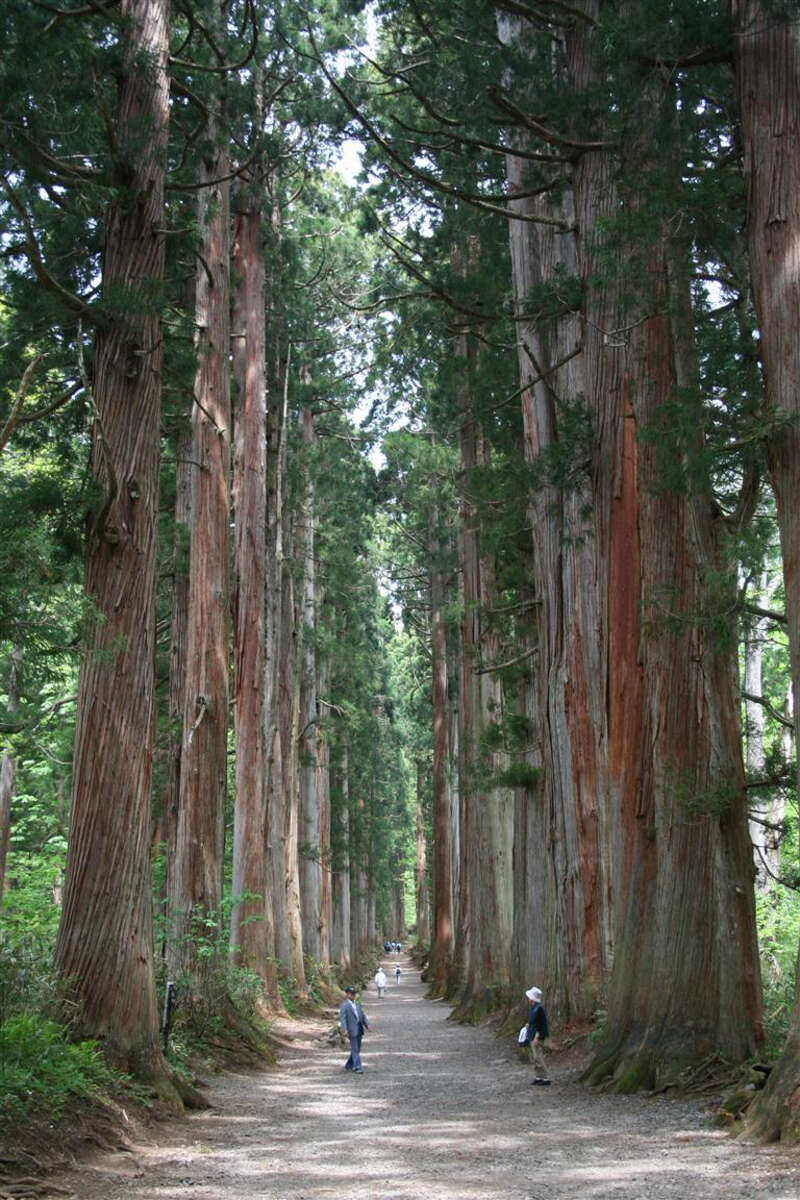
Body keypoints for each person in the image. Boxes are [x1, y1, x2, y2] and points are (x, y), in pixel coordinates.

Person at [338, 985, 369, 1073]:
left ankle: (349, 1064)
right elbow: (342, 1018)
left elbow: (362, 1015)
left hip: (359, 1028)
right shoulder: (344, 1005)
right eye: (351, 994)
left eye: (354, 994)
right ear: (347, 994)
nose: (353, 995)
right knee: (355, 1048)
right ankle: (357, 1067)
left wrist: (367, 1025)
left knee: (357, 1048)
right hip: (351, 1029)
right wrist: (345, 1029)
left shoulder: (357, 1004)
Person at [524, 986, 550, 1085]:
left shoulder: (539, 1009)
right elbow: (533, 1021)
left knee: (538, 1056)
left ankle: (545, 1078)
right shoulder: (533, 1008)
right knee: (533, 1057)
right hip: (531, 1035)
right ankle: (538, 1077)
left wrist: (537, 1037)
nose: (528, 999)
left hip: (536, 1036)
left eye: (530, 997)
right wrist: (528, 1025)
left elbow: (541, 1024)